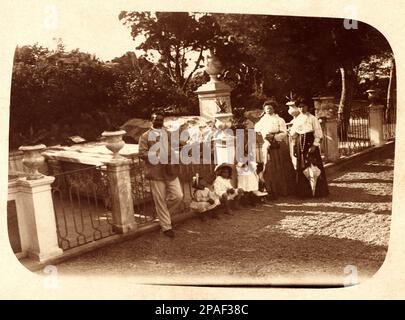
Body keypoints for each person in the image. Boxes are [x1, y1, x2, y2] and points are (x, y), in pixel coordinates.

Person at [138, 113, 184, 238]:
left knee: (178, 195)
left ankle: (163, 215)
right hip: (155, 172)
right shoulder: (145, 136)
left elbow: (175, 147)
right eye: (156, 119)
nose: (158, 121)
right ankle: (166, 227)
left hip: (170, 170)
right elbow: (141, 153)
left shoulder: (168, 133)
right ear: (151, 120)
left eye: (160, 120)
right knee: (160, 200)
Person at [254, 100, 296, 198]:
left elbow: (284, 132)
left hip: (278, 144)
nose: (268, 110)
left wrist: (274, 137)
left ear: (274, 109)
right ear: (264, 110)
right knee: (269, 166)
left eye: (270, 108)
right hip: (267, 144)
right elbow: (257, 129)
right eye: (267, 108)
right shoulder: (262, 120)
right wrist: (266, 136)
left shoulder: (279, 119)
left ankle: (284, 189)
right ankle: (271, 189)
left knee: (282, 165)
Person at [289, 101, 329, 198]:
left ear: (307, 107)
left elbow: (318, 133)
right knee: (302, 166)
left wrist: (314, 145)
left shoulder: (313, 118)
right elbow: (293, 134)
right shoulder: (297, 119)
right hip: (300, 143)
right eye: (300, 107)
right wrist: (294, 145)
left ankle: (318, 191)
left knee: (314, 165)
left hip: (310, 141)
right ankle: (303, 192)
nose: (302, 109)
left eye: (303, 106)